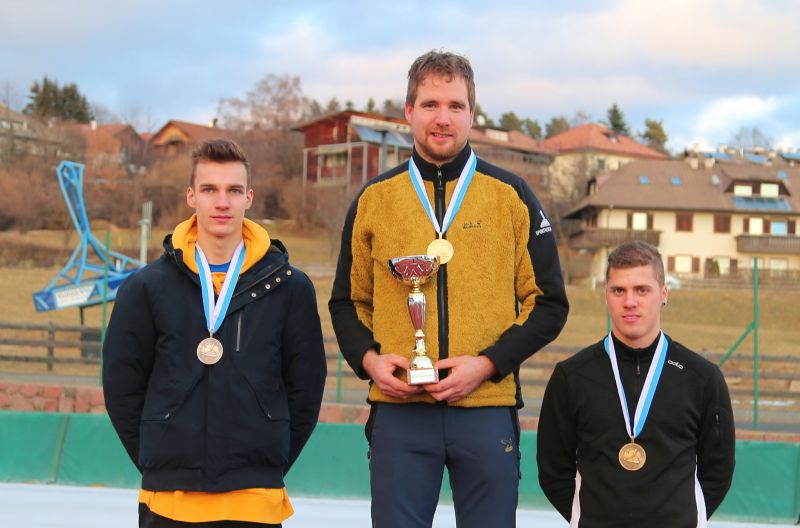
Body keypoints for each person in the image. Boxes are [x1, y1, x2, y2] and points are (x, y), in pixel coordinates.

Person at [329, 50, 569, 527]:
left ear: (472, 114)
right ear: (409, 111)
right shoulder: (374, 200)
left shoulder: (511, 195)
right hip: (400, 410)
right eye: (431, 104)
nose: (443, 118)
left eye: (456, 106)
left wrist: (487, 365)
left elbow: (548, 303)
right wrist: (371, 361)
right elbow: (347, 301)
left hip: (485, 407)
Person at [103, 139, 327, 527]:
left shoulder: (290, 288)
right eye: (209, 189)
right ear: (191, 196)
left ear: (249, 198)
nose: (222, 202)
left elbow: (306, 387)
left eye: (233, 190)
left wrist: (268, 457)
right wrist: (159, 456)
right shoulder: (146, 288)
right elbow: (121, 385)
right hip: (169, 500)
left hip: (255, 499)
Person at [537, 241, 735, 528]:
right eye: (619, 290)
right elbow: (553, 471)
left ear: (664, 294)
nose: (629, 302)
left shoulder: (701, 378)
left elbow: (718, 471)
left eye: (642, 290)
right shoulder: (571, 376)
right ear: (606, 295)